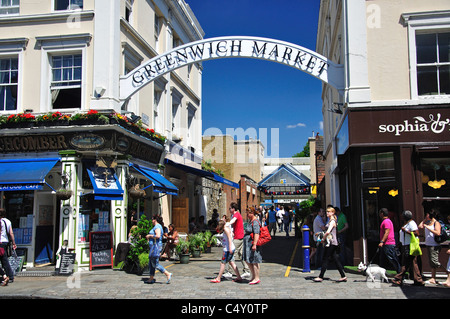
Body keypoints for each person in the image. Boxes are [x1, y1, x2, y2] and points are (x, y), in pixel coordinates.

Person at [313, 207, 347, 282]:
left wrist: (323, 239)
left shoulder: (332, 221)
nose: (327, 213)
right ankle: (343, 275)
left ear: (333, 213)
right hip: (332, 242)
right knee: (335, 259)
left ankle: (320, 276)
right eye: (327, 211)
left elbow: (328, 231)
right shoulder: (330, 220)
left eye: (329, 212)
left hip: (331, 242)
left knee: (325, 258)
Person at [393, 210, 424, 286]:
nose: (401, 217)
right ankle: (417, 280)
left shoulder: (412, 224)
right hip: (405, 245)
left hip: (410, 245)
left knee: (408, 263)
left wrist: (406, 231)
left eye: (403, 216)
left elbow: (417, 233)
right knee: (410, 263)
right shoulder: (407, 223)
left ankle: (399, 278)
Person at [145, 215, 172, 284]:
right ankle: (151, 278)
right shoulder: (156, 226)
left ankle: (167, 273)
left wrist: (149, 236)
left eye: (152, 219)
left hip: (155, 247)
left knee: (155, 263)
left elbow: (158, 236)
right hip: (153, 246)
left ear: (155, 220)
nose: (151, 221)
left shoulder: (157, 227)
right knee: (151, 263)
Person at [418, 209, 442, 284]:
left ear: (430, 215)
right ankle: (433, 278)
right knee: (432, 263)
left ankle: (448, 273)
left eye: (427, 215)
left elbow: (438, 233)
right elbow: (420, 226)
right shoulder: (428, 222)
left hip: (434, 245)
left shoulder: (436, 223)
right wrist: (425, 220)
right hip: (428, 244)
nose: (426, 216)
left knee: (435, 262)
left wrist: (427, 227)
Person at [227, 202, 249, 277]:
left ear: (233, 209)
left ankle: (229, 271)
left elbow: (233, 221)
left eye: (230, 208)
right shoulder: (235, 215)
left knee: (231, 253)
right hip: (240, 236)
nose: (229, 209)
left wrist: (227, 224)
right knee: (241, 254)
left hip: (238, 237)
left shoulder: (236, 214)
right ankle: (246, 270)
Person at [378, 208, 401, 273]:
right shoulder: (386, 221)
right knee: (384, 259)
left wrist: (382, 241)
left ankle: (400, 274)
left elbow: (387, 232)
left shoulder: (386, 221)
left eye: (380, 213)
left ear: (382, 213)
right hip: (386, 244)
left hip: (388, 243)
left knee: (393, 259)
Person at [243, 207, 262, 285]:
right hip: (248, 244)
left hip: (252, 244)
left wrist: (254, 244)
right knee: (248, 260)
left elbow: (256, 233)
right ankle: (253, 276)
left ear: (252, 213)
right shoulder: (251, 221)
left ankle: (256, 277)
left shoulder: (255, 222)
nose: (247, 215)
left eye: (248, 213)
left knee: (254, 261)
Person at [0, 208, 16, 283]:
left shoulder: (0, 221)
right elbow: (11, 233)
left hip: (0, 242)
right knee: (4, 260)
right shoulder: (8, 221)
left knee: (4, 260)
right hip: (5, 242)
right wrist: (13, 242)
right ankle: (10, 276)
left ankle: (6, 275)